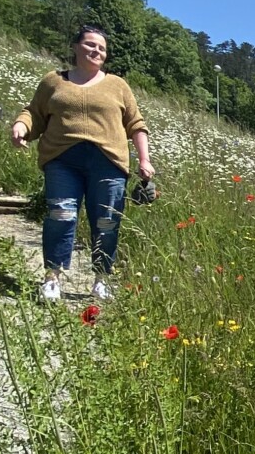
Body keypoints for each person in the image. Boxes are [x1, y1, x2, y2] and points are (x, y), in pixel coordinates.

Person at [11, 24, 154, 303]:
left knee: (107, 222)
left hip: (109, 163)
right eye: (90, 45)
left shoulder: (118, 85)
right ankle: (52, 278)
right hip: (63, 160)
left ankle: (101, 279)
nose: (96, 50)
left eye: (101, 48)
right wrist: (20, 126)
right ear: (75, 48)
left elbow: (136, 124)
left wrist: (145, 160)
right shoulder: (54, 81)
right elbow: (33, 112)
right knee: (61, 214)